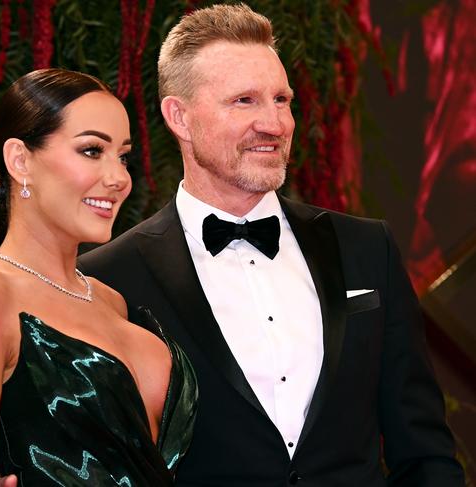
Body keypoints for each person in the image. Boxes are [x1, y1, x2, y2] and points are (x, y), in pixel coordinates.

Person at [78, 4, 465, 486]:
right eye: (244, 101)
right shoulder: (107, 278)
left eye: (281, 100)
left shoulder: (367, 248)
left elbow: (424, 447)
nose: (275, 124)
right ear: (178, 117)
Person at [0, 68, 197, 486]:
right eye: (91, 151)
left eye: (122, 156)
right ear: (20, 160)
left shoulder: (112, 301)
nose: (119, 178)